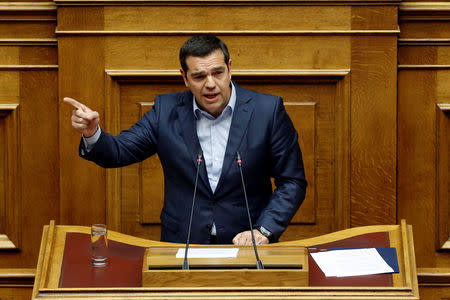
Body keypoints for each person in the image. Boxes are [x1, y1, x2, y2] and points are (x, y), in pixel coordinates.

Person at [64, 35, 307, 245]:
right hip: (182, 244)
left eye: (218, 73)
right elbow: (118, 151)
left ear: (230, 68)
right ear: (184, 77)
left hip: (246, 243)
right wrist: (93, 133)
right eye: (199, 76)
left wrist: (263, 230)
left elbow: (292, 181)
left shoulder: (267, 111)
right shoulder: (165, 111)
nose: (210, 84)